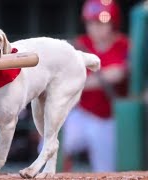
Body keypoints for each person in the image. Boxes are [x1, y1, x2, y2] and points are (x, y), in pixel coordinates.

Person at [61, 0, 130, 172]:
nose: (95, 27)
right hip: (82, 113)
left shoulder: (124, 45)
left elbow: (121, 74)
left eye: (102, 22)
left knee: (105, 170)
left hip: (108, 119)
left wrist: (83, 81)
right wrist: (101, 78)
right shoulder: (80, 44)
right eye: (91, 22)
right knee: (49, 146)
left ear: (113, 23)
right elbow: (66, 80)